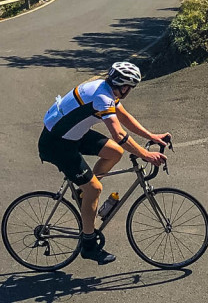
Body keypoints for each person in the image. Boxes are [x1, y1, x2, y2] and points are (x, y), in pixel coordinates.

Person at [38, 61, 169, 265]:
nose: (129, 91)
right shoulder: (102, 97)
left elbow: (124, 117)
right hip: (57, 144)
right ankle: (88, 245)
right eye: (130, 87)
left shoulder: (105, 88)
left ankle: (84, 196)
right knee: (95, 188)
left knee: (114, 153)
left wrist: (152, 135)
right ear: (123, 86)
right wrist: (146, 154)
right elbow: (118, 133)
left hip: (70, 134)